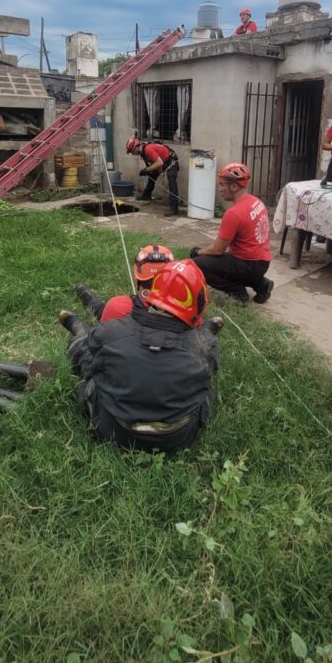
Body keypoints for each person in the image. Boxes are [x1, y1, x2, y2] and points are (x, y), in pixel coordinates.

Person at [59, 260, 222, 453]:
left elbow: (93, 346)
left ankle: (77, 328)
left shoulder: (111, 332)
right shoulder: (205, 346)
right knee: (206, 387)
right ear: (199, 301)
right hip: (179, 439)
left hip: (113, 433)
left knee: (88, 359)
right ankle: (208, 328)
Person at [190, 162, 273, 305]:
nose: (220, 189)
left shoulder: (233, 214)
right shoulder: (256, 201)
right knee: (224, 260)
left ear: (234, 186)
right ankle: (262, 285)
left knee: (197, 262)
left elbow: (217, 250)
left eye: (222, 185)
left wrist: (199, 252)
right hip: (262, 262)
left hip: (248, 264)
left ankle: (237, 291)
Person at [75, 243, 174, 322]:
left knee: (100, 309)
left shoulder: (118, 307)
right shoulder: (184, 311)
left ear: (138, 280)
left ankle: (88, 298)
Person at [126, 136, 179, 217]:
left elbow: (159, 162)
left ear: (135, 147)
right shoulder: (142, 152)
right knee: (152, 174)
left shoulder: (148, 149)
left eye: (132, 151)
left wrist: (146, 170)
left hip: (171, 159)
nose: (132, 153)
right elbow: (156, 163)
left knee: (171, 179)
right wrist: (148, 171)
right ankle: (146, 196)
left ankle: (174, 208)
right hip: (163, 160)